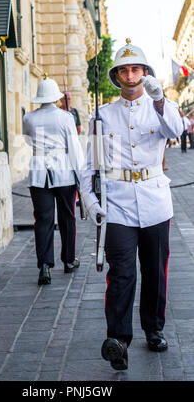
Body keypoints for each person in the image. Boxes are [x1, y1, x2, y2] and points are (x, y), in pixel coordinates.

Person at [80, 39, 183, 371]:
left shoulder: (159, 107)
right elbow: (89, 166)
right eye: (123, 70)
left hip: (154, 201)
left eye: (135, 68)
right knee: (121, 274)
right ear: (117, 76)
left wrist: (160, 99)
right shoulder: (104, 115)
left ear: (145, 73)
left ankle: (153, 329)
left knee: (155, 272)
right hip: (118, 204)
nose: (129, 74)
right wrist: (92, 204)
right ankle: (118, 340)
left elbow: (177, 130)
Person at [23, 75, 83, 285]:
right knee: (67, 217)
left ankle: (45, 266)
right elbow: (74, 148)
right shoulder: (66, 117)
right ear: (56, 97)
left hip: (39, 172)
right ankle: (68, 260)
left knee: (43, 220)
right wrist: (81, 174)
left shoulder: (28, 118)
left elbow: (28, 139)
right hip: (64, 171)